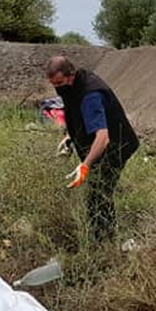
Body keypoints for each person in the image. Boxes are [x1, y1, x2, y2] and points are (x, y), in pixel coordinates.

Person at [46, 56, 140, 242]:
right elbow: (77, 115)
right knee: (98, 193)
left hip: (116, 146)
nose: (57, 87)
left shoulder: (91, 95)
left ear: (70, 75)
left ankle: (105, 244)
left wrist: (85, 165)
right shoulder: (74, 85)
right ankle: (106, 239)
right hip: (102, 144)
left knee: (98, 196)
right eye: (53, 83)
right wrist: (69, 139)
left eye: (59, 82)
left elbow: (102, 138)